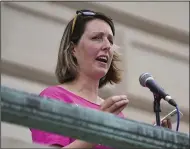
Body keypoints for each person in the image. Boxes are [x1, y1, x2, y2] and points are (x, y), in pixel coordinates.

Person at [30, 9, 172, 148]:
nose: (107, 46)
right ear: (73, 49)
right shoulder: (54, 97)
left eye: (110, 40)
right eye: (97, 38)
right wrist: (98, 128)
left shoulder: (114, 113)